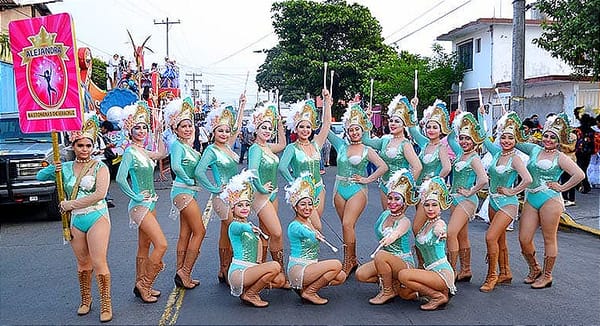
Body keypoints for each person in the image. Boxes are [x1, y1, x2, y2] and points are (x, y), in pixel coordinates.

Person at [37, 114, 113, 322]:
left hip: (97, 216)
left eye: (88, 145)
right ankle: (86, 300)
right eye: (80, 145)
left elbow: (99, 194)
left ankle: (106, 303)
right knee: (82, 263)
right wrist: (56, 165)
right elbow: (39, 176)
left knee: (98, 262)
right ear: (74, 145)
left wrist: (71, 205)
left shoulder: (100, 167)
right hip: (75, 221)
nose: (85, 149)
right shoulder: (67, 167)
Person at [517, 113, 585, 288]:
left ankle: (547, 276)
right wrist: (509, 123)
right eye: (546, 135)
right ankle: (535, 269)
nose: (548, 139)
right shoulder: (534, 149)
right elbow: (514, 140)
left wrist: (561, 188)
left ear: (558, 140)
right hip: (531, 198)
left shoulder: (560, 157)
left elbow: (579, 175)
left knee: (549, 238)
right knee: (524, 238)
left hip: (550, 199)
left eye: (552, 137)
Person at [116, 102, 168, 303]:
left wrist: (160, 132)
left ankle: (142, 284)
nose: (141, 131)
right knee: (162, 245)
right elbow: (121, 178)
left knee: (144, 246)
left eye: (144, 127)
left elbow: (162, 153)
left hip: (151, 204)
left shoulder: (143, 151)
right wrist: (135, 196)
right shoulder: (129, 152)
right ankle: (144, 284)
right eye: (137, 127)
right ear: (130, 130)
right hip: (140, 206)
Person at [328, 103, 388, 275]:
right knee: (347, 226)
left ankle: (347, 262)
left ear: (362, 131)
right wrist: (327, 104)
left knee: (347, 223)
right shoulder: (340, 145)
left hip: (357, 190)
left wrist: (367, 179)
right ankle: (352, 259)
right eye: (351, 130)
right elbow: (325, 130)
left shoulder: (367, 150)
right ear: (347, 131)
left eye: (357, 129)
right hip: (339, 189)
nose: (354, 133)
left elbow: (382, 166)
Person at [478, 110, 532, 292]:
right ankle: (505, 272)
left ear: (516, 139)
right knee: (500, 241)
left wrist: (513, 190)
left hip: (508, 204)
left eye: (510, 138)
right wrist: (481, 116)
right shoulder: (496, 153)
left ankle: (492, 276)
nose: (506, 141)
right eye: (503, 137)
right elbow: (484, 137)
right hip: (493, 201)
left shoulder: (516, 159)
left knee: (490, 237)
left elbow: (527, 179)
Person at [195, 95, 246, 284]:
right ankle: (228, 267)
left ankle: (224, 268)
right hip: (222, 198)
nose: (224, 134)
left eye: (226, 131)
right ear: (213, 132)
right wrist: (215, 188)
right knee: (233, 228)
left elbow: (237, 127)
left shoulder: (228, 146)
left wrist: (241, 106)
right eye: (220, 131)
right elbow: (200, 172)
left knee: (226, 232)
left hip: (236, 196)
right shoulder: (211, 150)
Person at [221, 170, 285, 307]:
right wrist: (251, 229)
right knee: (275, 266)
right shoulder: (235, 225)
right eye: (239, 205)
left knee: (279, 279)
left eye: (246, 205)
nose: (244, 208)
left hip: (250, 270)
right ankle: (250, 294)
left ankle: (250, 289)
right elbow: (240, 228)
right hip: (239, 272)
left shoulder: (248, 224)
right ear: (233, 208)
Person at [355, 169, 419, 304]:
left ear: (404, 202)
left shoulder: (405, 221)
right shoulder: (384, 214)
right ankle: (394, 283)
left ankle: (387, 290)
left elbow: (397, 232)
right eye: (390, 198)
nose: (392, 202)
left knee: (381, 255)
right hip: (385, 261)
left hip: (403, 263)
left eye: (397, 199)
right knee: (361, 274)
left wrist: (391, 237)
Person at [286, 173, 347, 304]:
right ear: (295, 207)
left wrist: (314, 231)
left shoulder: (309, 221)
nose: (307, 208)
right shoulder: (294, 225)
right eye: (302, 204)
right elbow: (304, 232)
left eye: (309, 204)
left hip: (310, 266)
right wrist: (314, 234)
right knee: (336, 264)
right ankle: (310, 291)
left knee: (340, 276)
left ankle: (305, 287)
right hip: (298, 269)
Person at [164, 98, 205, 289]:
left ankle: (181, 273)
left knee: (185, 233)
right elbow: (175, 166)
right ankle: (185, 271)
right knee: (200, 231)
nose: (187, 129)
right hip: (183, 191)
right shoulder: (177, 146)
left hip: (189, 192)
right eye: (183, 126)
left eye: (190, 125)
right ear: (176, 129)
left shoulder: (189, 147)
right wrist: (187, 179)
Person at [397, 177, 456, 311]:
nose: (430, 209)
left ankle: (437, 296)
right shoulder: (425, 225)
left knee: (403, 275)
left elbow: (440, 229)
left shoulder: (439, 224)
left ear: (440, 207)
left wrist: (441, 232)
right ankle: (438, 292)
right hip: (429, 272)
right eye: (427, 205)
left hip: (441, 273)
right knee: (405, 293)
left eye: (434, 205)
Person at [246, 103, 289, 286]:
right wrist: (262, 189)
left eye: (269, 128)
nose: (267, 131)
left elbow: (283, 144)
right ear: (255, 129)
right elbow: (252, 171)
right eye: (263, 127)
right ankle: (279, 270)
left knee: (265, 233)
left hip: (273, 195)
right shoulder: (256, 149)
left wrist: (279, 124)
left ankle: (264, 273)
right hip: (261, 196)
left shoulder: (267, 147)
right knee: (277, 233)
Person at [279, 89, 332, 231]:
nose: (305, 130)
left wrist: (326, 101)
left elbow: (326, 124)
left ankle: (309, 252)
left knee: (313, 224)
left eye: (308, 127)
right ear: (295, 129)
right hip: (302, 192)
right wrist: (295, 185)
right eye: (301, 126)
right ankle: (304, 252)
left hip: (318, 188)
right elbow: (282, 167)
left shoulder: (316, 143)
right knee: (315, 227)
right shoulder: (292, 148)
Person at [445, 111, 488, 285]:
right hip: (455, 198)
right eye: (462, 138)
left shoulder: (474, 157)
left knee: (451, 233)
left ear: (475, 141)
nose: (463, 142)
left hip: (467, 201)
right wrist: (457, 121)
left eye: (467, 139)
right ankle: (466, 270)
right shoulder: (460, 153)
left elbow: (484, 179)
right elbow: (449, 139)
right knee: (462, 236)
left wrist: (470, 192)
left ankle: (451, 270)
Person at [408, 98, 452, 265]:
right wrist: (413, 108)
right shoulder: (425, 144)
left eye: (435, 127)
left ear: (441, 130)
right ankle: (426, 263)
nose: (431, 130)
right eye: (429, 126)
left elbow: (447, 167)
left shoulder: (441, 147)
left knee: (417, 227)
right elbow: (412, 129)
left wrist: (434, 182)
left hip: (430, 193)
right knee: (424, 228)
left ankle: (428, 262)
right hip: (420, 191)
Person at [362, 95, 422, 210]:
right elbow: (365, 140)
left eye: (397, 121)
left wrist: (405, 186)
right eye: (391, 121)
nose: (392, 124)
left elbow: (417, 167)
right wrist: (367, 120)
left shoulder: (406, 144)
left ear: (403, 125)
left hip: (399, 189)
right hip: (384, 184)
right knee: (386, 218)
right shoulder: (385, 140)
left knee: (396, 220)